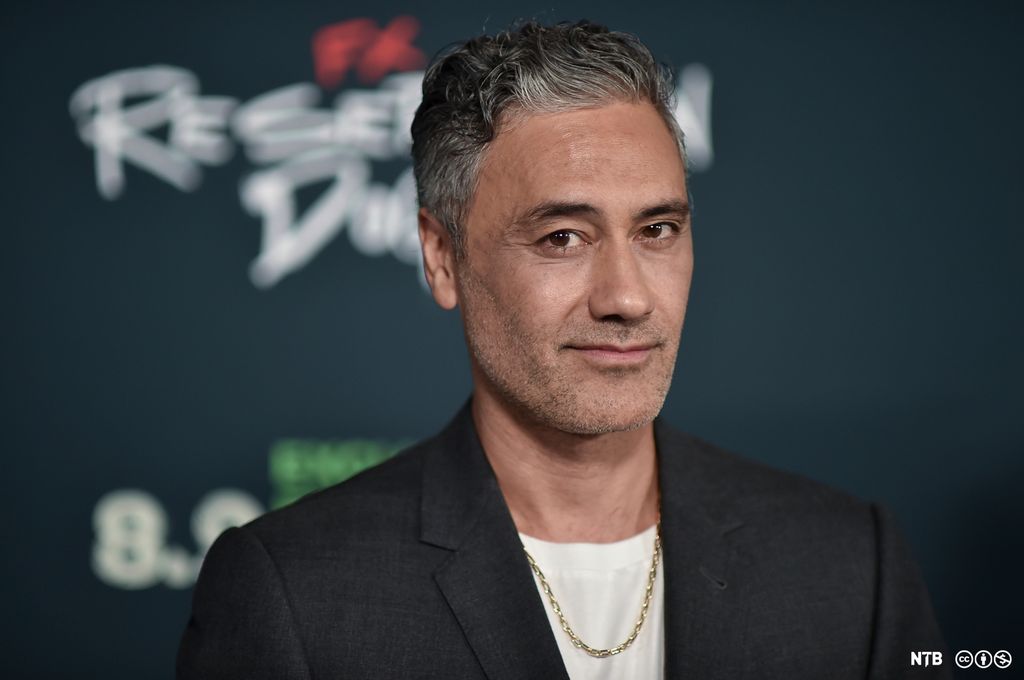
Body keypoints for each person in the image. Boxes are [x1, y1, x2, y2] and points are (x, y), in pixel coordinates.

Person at [177, 20, 949, 679]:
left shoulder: (852, 567)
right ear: (442, 258)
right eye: (562, 237)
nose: (627, 296)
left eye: (657, 230)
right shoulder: (294, 592)